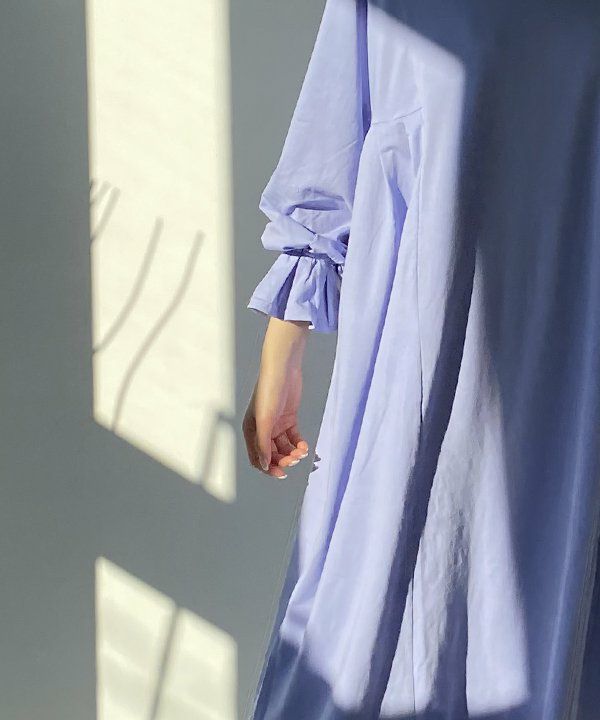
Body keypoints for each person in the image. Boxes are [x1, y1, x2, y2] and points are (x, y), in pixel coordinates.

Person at [242, 0, 600, 718]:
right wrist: (282, 354)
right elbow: (328, 155)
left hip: (577, 390)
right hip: (429, 369)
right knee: (380, 622)